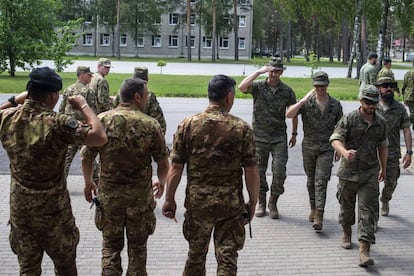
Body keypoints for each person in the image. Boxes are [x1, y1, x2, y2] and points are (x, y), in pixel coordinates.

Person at [0, 67, 107, 275]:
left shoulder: (8, 118)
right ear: (52, 95)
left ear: (29, 91)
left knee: (28, 269)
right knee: (65, 267)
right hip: (54, 213)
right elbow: (99, 136)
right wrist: (84, 105)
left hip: (21, 212)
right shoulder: (58, 123)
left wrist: (17, 99)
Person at [162, 75, 259, 276]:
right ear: (229, 97)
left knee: (196, 255)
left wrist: (169, 198)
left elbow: (176, 167)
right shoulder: (241, 128)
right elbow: (251, 170)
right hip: (230, 206)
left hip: (198, 205)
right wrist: (253, 201)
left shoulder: (188, 125)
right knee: (227, 258)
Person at [82, 78, 169, 275]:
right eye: (146, 96)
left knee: (111, 247)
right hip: (139, 200)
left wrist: (88, 183)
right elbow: (163, 163)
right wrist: (161, 182)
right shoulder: (151, 124)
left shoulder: (102, 120)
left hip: (110, 198)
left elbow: (86, 157)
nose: (147, 100)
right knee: (138, 250)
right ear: (137, 97)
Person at [330, 85, 388, 267]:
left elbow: (383, 146)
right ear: (361, 100)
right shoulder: (350, 119)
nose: (371, 106)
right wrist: (344, 152)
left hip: (369, 173)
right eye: (367, 102)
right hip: (348, 173)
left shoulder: (380, 122)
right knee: (346, 207)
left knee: (368, 211)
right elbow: (335, 138)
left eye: (374, 103)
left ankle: (364, 250)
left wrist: (383, 168)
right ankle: (346, 232)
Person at [239, 57, 298, 219]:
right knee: (259, 171)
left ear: (281, 72)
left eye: (277, 71)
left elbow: (293, 113)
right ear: (268, 70)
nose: (274, 74)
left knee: (279, 172)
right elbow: (242, 87)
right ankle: (262, 201)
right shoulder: (258, 87)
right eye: (272, 70)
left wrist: (294, 133)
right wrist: (258, 72)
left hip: (279, 137)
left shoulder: (287, 91)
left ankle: (273, 202)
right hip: (259, 137)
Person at [286, 71, 343, 232]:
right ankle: (313, 207)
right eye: (317, 85)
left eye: (323, 85)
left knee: (321, 181)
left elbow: (341, 128)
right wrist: (303, 99)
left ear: (327, 85)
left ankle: (319, 214)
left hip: (327, 148)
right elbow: (289, 114)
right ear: (313, 86)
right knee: (311, 180)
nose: (320, 89)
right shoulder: (307, 103)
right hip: (309, 147)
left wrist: (340, 148)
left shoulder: (335, 105)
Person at [375, 77, 412, 219]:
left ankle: (385, 199)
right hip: (372, 153)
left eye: (391, 86)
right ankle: (372, 217)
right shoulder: (372, 106)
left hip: (392, 152)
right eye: (385, 86)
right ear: (379, 88)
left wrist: (409, 152)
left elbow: (407, 130)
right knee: (370, 185)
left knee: (391, 182)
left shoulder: (399, 108)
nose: (389, 88)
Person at [59, 66, 97, 178]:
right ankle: (97, 184)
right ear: (82, 75)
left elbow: (61, 109)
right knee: (89, 157)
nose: (91, 78)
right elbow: (92, 110)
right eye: (89, 75)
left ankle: (61, 181)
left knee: (66, 158)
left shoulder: (68, 89)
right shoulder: (88, 91)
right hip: (83, 129)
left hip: (69, 127)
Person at [112, 66, 167, 135]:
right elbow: (160, 123)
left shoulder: (121, 92)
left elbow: (112, 110)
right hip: (141, 133)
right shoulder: (149, 95)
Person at [401, 60, 414, 129]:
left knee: (412, 111)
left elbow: (404, 86)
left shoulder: (408, 73)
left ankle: (408, 123)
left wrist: (404, 96)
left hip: (409, 95)